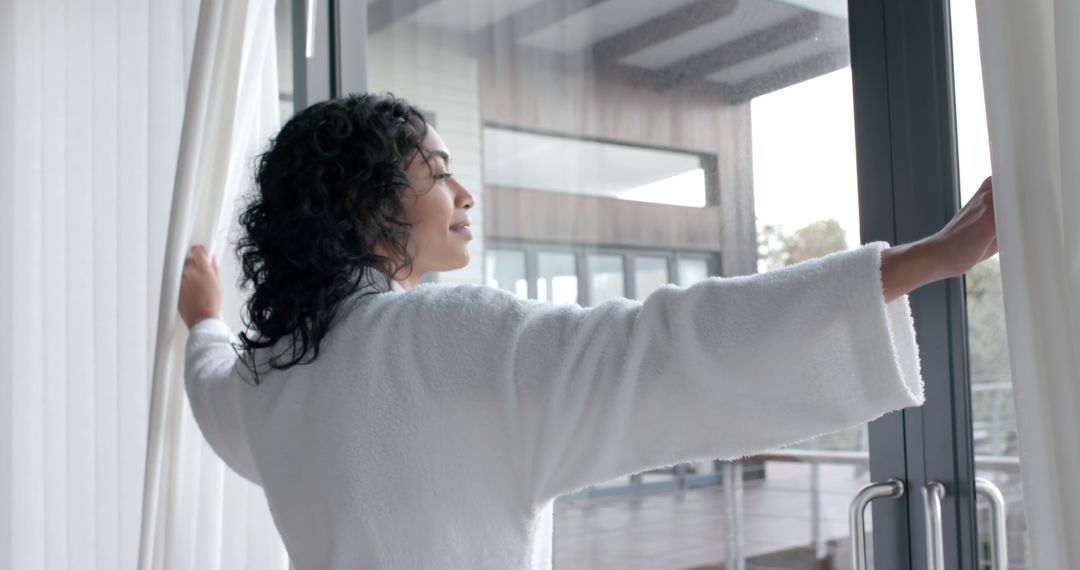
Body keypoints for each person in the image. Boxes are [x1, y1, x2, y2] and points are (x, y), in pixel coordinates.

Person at [178, 93, 998, 569]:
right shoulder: (447, 340)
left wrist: (204, 320)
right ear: (365, 206)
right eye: (436, 173)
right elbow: (665, 348)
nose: (463, 195)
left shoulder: (271, 377)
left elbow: (212, 388)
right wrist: (920, 263)